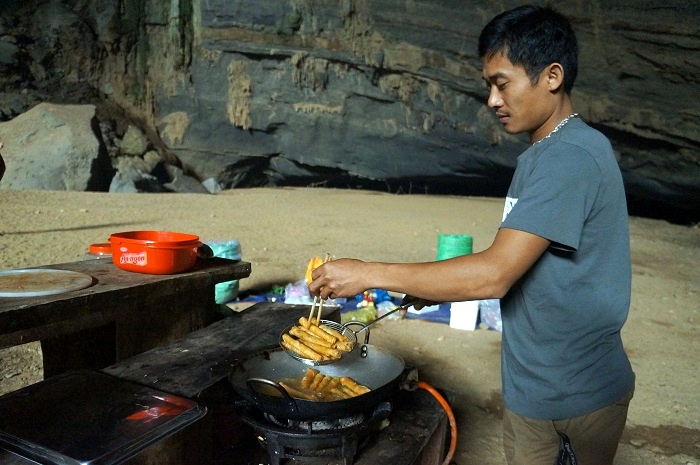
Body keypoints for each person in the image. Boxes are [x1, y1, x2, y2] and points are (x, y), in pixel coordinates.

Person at [308, 5, 635, 465]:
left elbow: (495, 273)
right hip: (537, 388)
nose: (493, 100)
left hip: (572, 396)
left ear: (552, 76)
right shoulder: (545, 155)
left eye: (502, 83)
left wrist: (368, 274)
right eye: (489, 87)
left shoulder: (571, 156)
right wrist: (424, 286)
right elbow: (521, 263)